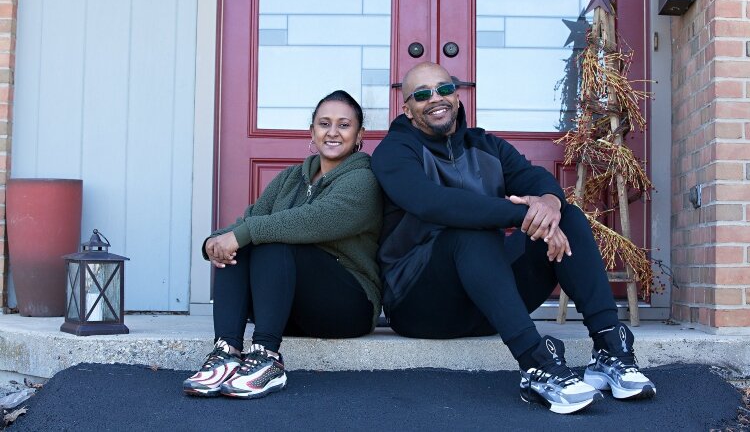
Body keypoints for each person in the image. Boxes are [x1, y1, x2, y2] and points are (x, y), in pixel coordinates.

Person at [371, 62, 655, 414]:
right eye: (422, 94)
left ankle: (610, 349)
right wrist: (524, 215)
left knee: (567, 217)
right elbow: (436, 204)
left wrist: (550, 205)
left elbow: (534, 178)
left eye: (444, 89)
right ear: (408, 110)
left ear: (457, 97)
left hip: (489, 305)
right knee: (468, 232)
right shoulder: (394, 152)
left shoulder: (486, 145)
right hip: (420, 305)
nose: (436, 99)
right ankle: (538, 365)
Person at [184, 90, 382, 399]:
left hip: (347, 306)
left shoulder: (363, 181)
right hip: (288, 306)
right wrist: (215, 241)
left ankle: (266, 358)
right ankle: (225, 353)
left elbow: (312, 220)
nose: (332, 132)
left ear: (359, 134)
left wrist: (241, 234)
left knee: (272, 241)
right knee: (245, 243)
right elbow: (250, 219)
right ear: (312, 131)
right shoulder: (291, 178)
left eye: (344, 125)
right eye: (324, 123)